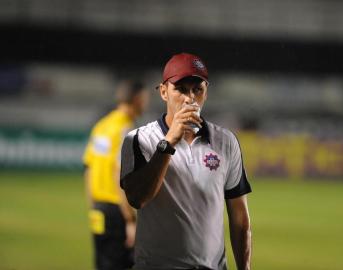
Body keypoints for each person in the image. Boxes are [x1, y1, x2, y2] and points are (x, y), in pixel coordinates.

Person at [120, 53, 252, 270]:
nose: (190, 98)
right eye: (181, 89)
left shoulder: (226, 142)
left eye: (197, 89)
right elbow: (137, 198)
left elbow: (240, 219)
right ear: (163, 91)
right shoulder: (139, 139)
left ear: (206, 91)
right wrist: (169, 141)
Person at [83, 80, 150, 270]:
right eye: (144, 99)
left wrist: (93, 206)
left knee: (103, 263)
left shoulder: (102, 126)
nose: (145, 104)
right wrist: (130, 220)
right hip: (117, 212)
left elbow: (88, 169)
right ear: (137, 100)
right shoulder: (125, 130)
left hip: (98, 208)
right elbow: (120, 173)